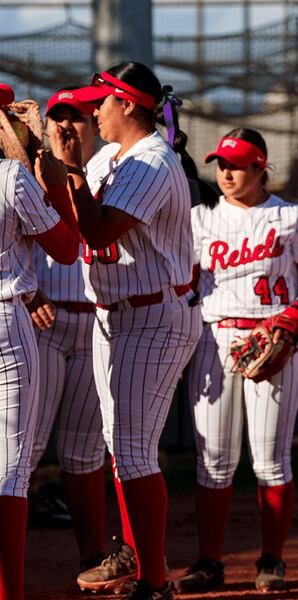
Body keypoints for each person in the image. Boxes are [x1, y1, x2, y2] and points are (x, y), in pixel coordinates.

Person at [54, 63, 202, 600]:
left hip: (152, 315)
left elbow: (96, 227)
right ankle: (139, 554)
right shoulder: (106, 158)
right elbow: (70, 224)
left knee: (134, 450)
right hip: (113, 313)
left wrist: (69, 169)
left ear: (130, 106)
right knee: (122, 446)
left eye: (103, 102)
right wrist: (42, 160)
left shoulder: (151, 161)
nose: (95, 110)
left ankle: (152, 580)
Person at [171, 129, 298, 593]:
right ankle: (209, 561)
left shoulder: (290, 218)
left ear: (261, 168)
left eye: (237, 165)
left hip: (274, 342)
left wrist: (295, 315)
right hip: (217, 340)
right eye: (221, 164)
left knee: (271, 461)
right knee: (212, 461)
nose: (227, 173)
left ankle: (272, 560)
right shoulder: (199, 219)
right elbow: (184, 283)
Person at [23, 87, 113, 586]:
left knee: (84, 455)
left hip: (98, 323)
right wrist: (28, 291)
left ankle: (92, 560)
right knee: (23, 450)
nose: (65, 127)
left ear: (94, 123)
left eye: (76, 118)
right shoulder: (27, 173)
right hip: (43, 327)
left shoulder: (110, 171)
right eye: (57, 118)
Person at [0, 82, 81, 600]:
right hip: (6, 324)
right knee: (9, 472)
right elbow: (69, 250)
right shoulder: (12, 177)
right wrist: (52, 181)